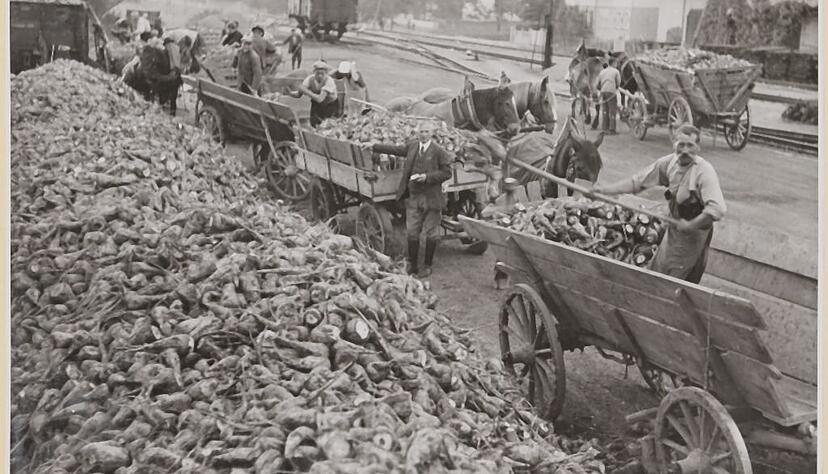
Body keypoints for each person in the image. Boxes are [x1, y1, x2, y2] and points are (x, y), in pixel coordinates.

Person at [589, 125, 725, 284]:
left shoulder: (704, 172)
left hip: (693, 237)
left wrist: (692, 224)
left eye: (690, 145)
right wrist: (604, 190)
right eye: (681, 144)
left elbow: (717, 209)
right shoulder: (669, 164)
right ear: (674, 143)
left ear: (698, 147)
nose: (685, 150)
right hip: (674, 231)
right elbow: (637, 182)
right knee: (657, 271)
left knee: (672, 282)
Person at [370, 121, 452, 278]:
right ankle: (412, 265)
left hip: (432, 199)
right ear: (418, 133)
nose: (423, 134)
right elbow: (396, 150)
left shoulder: (439, 152)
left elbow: (447, 173)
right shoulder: (413, 146)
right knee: (412, 232)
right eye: (421, 131)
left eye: (426, 131)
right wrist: (375, 146)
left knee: (431, 234)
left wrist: (427, 177)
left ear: (432, 133)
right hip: (414, 197)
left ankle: (427, 266)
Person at [287, 61, 339, 126]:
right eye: (318, 73)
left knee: (328, 126)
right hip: (316, 106)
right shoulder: (309, 79)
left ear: (326, 73)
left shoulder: (329, 81)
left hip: (330, 106)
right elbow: (298, 94)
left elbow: (320, 99)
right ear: (314, 72)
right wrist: (289, 93)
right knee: (315, 125)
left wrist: (306, 91)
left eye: (322, 73)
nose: (320, 76)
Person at [158, 35, 183, 115]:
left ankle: (162, 108)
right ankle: (173, 112)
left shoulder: (166, 51)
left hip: (169, 77)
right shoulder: (177, 49)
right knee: (173, 96)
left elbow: (163, 66)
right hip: (177, 76)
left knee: (162, 90)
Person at [596, 57, 621, 134]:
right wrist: (615, 87)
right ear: (613, 63)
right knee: (612, 110)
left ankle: (604, 128)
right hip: (611, 91)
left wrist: (601, 89)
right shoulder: (616, 72)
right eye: (616, 63)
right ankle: (612, 129)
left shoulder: (602, 71)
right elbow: (618, 83)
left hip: (603, 91)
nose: (616, 65)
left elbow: (598, 84)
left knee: (605, 110)